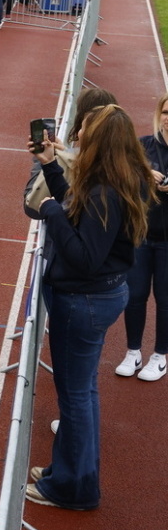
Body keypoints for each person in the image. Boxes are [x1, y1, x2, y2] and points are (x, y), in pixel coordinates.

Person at [26, 104, 153, 510]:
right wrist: (50, 166)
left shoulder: (104, 192)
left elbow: (84, 256)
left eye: (84, 130)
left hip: (84, 301)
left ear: (99, 140)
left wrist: (49, 211)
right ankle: (71, 472)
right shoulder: (117, 180)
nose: (78, 134)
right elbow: (78, 210)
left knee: (75, 396)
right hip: (99, 297)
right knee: (83, 391)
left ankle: (73, 488)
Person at [116, 96, 168, 382]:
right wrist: (144, 174)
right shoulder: (143, 146)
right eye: (166, 111)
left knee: (165, 298)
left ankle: (160, 356)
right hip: (141, 235)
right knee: (134, 295)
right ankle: (133, 351)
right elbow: (121, 176)